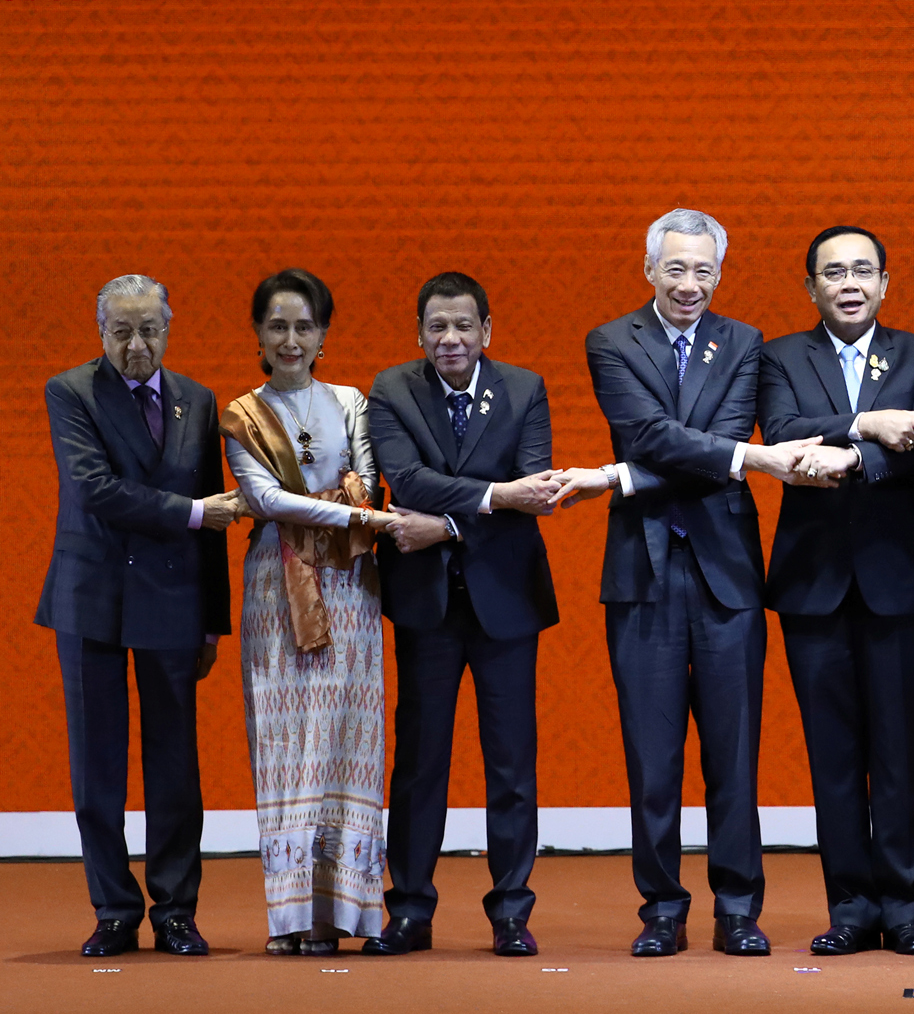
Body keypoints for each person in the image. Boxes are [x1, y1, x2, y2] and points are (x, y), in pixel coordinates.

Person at [548, 208, 821, 957]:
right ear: (649, 270)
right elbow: (645, 433)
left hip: (727, 572)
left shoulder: (744, 342)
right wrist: (740, 458)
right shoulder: (610, 340)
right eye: (676, 269)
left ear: (719, 273)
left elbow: (721, 434)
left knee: (734, 753)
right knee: (652, 754)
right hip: (642, 571)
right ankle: (661, 908)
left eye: (704, 270)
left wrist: (641, 470)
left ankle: (738, 907)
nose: (690, 284)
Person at [37, 275, 245, 957]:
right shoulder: (69, 392)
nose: (136, 344)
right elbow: (95, 489)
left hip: (175, 600)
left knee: (175, 765)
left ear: (169, 327)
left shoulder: (197, 399)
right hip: (91, 598)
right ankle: (114, 910)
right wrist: (188, 513)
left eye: (148, 329)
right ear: (100, 332)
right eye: (121, 331)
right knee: (98, 764)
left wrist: (214, 618)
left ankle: (177, 910)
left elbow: (216, 516)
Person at [756, 227, 914, 956]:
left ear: (884, 282)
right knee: (832, 756)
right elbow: (781, 432)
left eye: (862, 270)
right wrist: (868, 424)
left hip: (898, 579)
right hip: (812, 583)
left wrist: (838, 453)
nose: (848, 282)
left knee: (900, 751)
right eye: (832, 272)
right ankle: (849, 906)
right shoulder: (778, 355)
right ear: (810, 287)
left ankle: (903, 908)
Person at [364, 272, 563, 957]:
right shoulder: (391, 390)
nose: (450, 338)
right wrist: (495, 495)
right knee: (420, 760)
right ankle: (410, 909)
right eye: (436, 327)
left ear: (486, 330)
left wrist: (446, 526)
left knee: (512, 762)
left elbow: (535, 490)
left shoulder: (524, 386)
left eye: (462, 326)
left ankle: (511, 909)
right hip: (425, 604)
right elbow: (407, 479)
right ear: (419, 333)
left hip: (506, 598)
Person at [221, 269, 403, 955]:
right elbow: (266, 501)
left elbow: (365, 476)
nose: (290, 338)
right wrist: (353, 509)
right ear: (260, 336)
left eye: (303, 326)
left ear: (323, 334)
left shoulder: (353, 401)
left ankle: (341, 915)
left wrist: (354, 506)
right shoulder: (240, 413)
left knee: (347, 739)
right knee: (285, 744)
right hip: (279, 586)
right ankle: (292, 915)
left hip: (352, 586)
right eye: (277, 326)